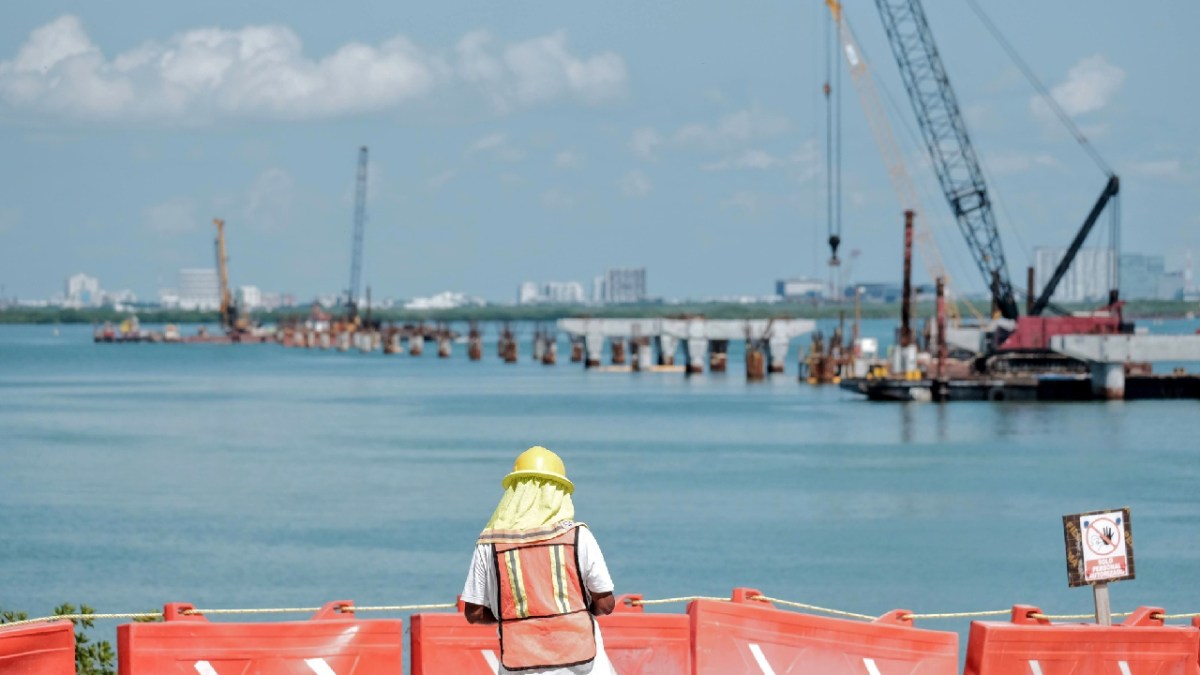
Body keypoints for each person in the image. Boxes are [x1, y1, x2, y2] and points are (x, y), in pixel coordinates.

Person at [461, 446, 616, 674]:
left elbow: (473, 614)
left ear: (513, 491)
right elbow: (605, 604)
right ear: (560, 491)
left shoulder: (488, 544)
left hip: (519, 664)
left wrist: (515, 619)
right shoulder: (578, 537)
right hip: (583, 664)